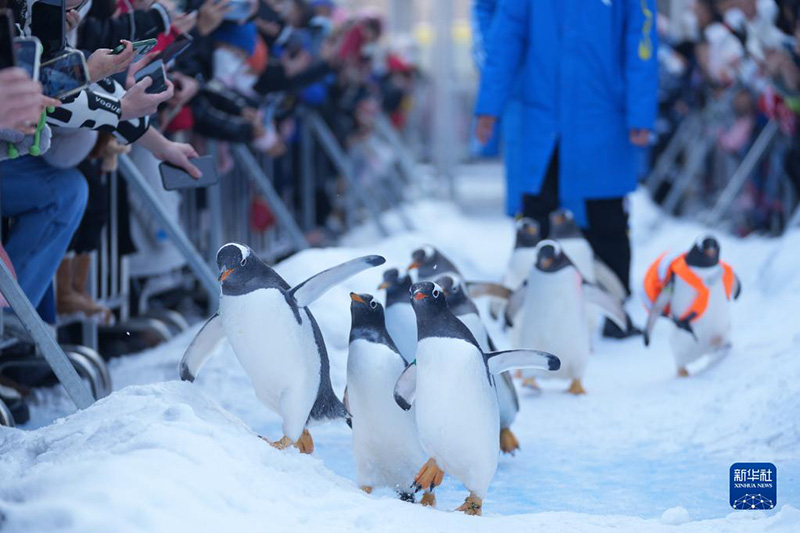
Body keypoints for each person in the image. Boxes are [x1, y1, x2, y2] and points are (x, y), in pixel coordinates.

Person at [475, 0, 659, 336]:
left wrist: (640, 110)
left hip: (602, 115)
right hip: (544, 118)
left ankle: (613, 313)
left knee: (607, 220)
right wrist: (490, 105)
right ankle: (534, 313)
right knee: (537, 218)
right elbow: (507, 38)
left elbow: (642, 40)